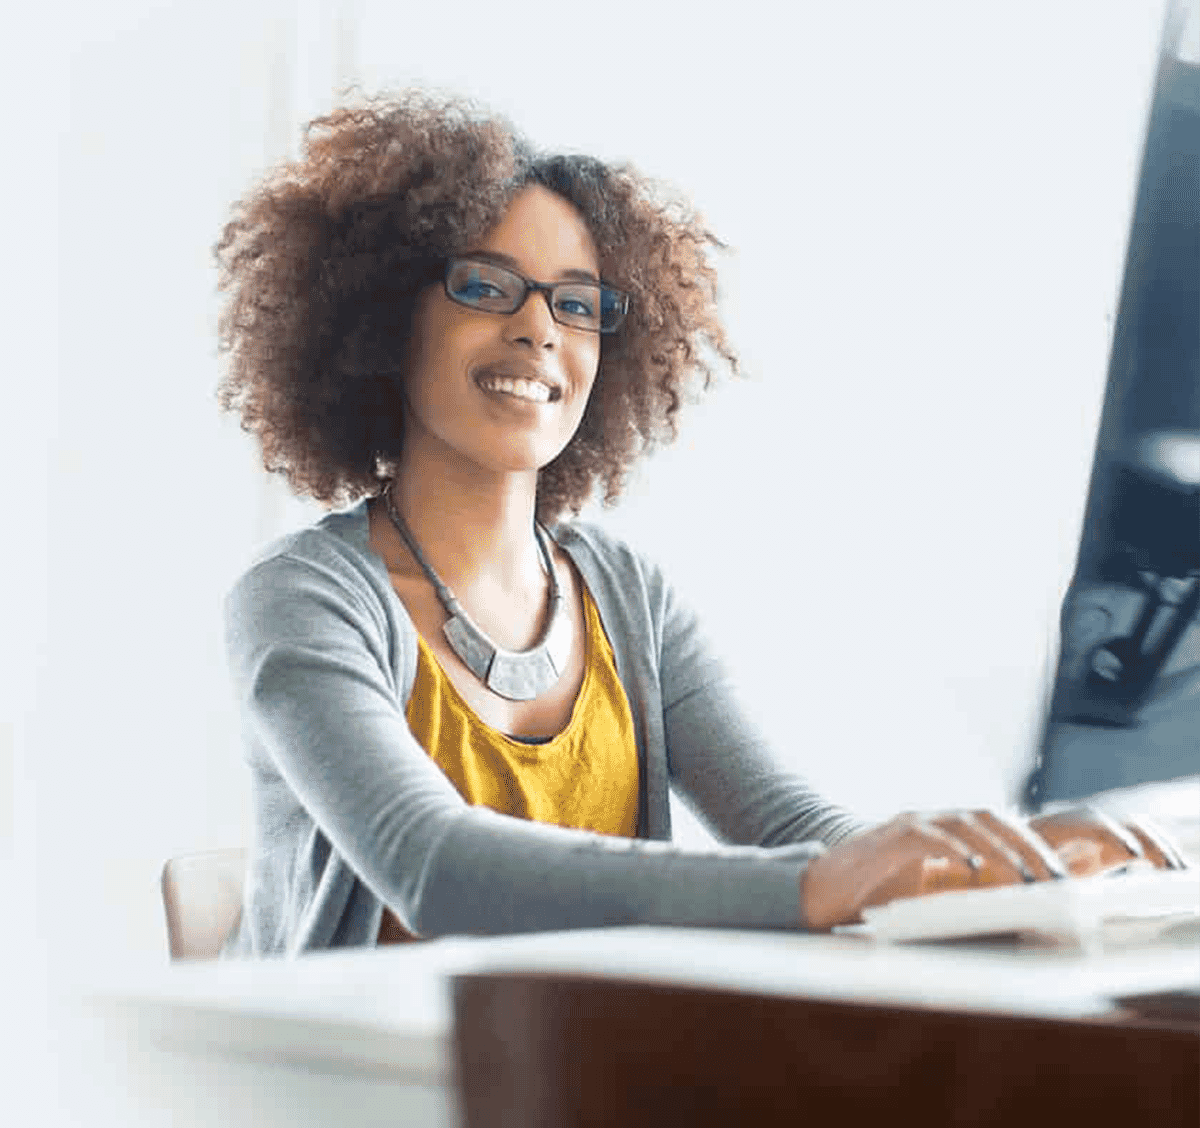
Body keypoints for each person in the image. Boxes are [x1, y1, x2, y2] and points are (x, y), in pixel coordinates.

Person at [214, 92, 1185, 957]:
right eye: (484, 285)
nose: (539, 327)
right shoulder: (303, 599)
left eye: (577, 304)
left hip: (569, 1064)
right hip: (344, 1075)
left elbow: (788, 827)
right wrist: (823, 884)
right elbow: (434, 867)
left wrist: (1004, 861)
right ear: (387, 320)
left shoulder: (627, 597)